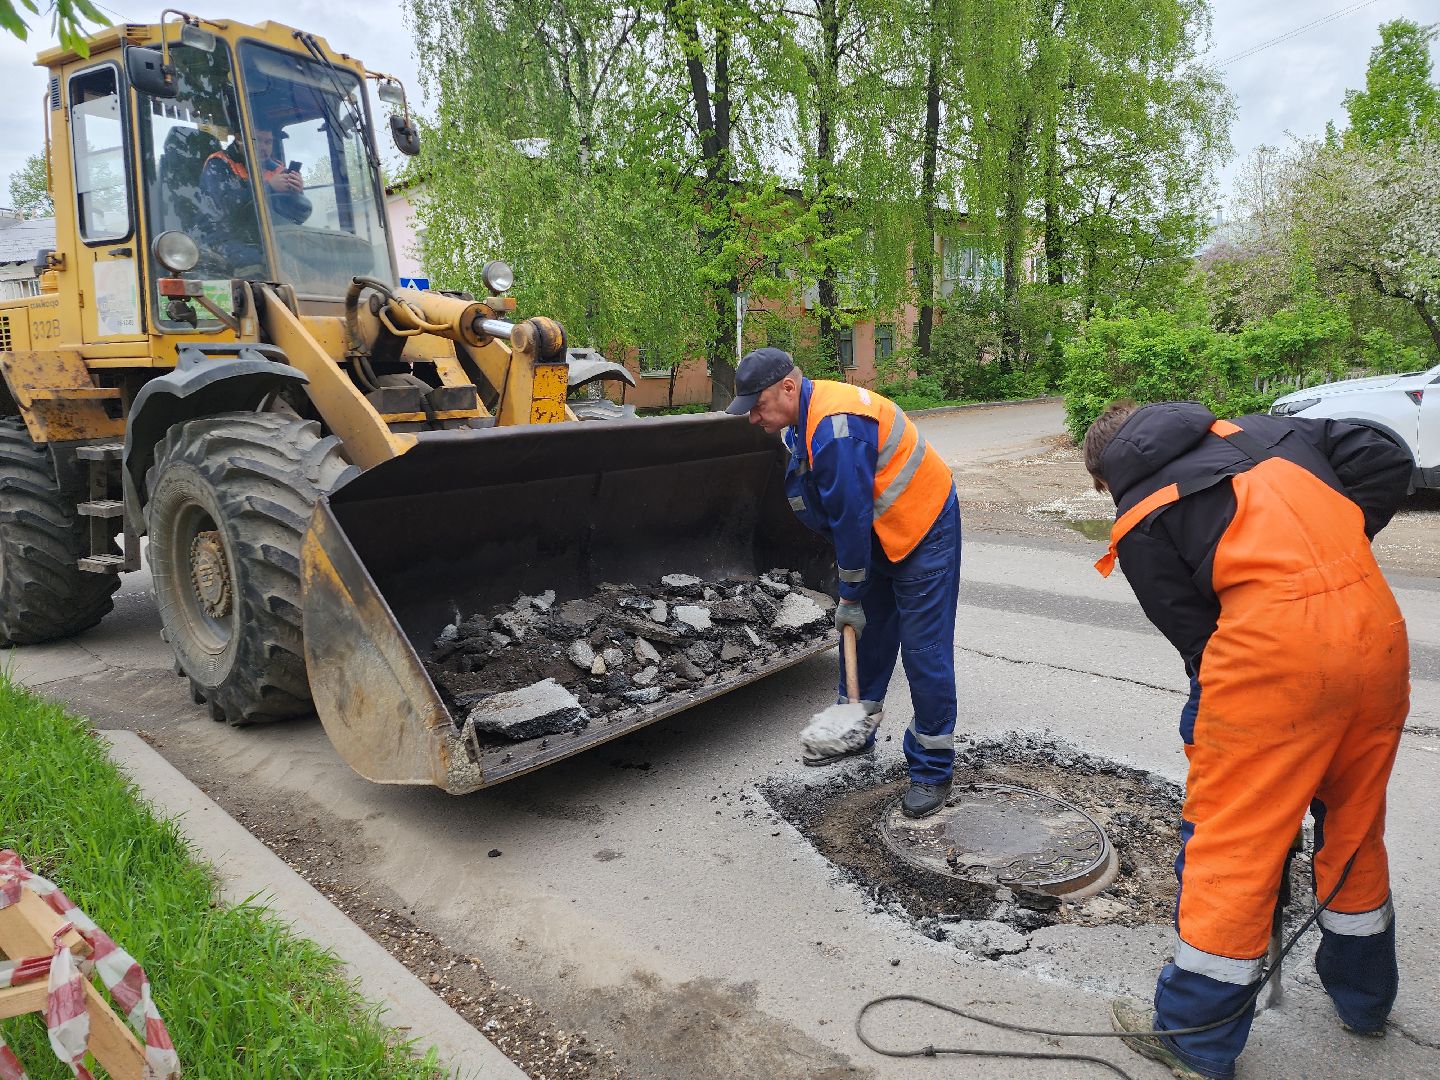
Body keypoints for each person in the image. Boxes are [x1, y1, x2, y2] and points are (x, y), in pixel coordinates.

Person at [1084, 400, 1411, 1080]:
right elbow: (1383, 454)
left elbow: (1198, 641)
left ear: (1107, 475)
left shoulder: (1142, 513)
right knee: (1354, 826)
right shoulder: (1272, 431)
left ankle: (1195, 1039)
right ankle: (1365, 1002)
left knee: (1233, 845)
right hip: (1375, 636)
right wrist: (1340, 543)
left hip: (1277, 667)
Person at [726, 348, 962, 819]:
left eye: (759, 405)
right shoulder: (801, 420)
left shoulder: (836, 428)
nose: (753, 417)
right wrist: (855, 593)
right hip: (879, 529)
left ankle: (932, 768)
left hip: (923, 529)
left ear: (788, 388)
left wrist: (850, 592)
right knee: (868, 637)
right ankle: (854, 729)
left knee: (923, 651)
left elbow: (850, 518)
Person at [199, 128, 311, 263]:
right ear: (239, 139)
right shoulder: (218, 164)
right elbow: (225, 207)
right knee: (269, 261)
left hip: (267, 239)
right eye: (257, 141)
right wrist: (268, 187)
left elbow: (298, 217)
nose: (264, 147)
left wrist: (296, 193)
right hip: (221, 239)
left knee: (309, 255)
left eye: (268, 142)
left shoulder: (278, 170)